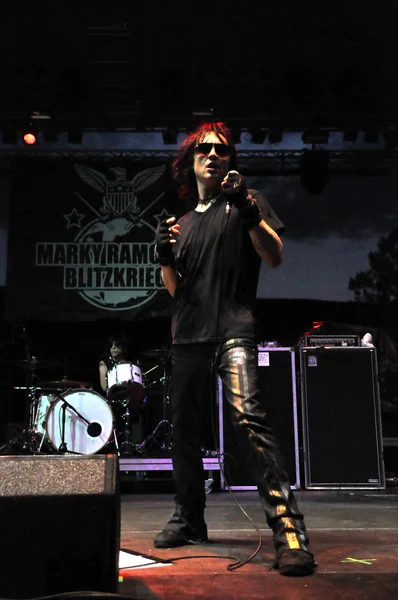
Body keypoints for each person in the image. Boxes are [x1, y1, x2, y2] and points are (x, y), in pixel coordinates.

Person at [153, 121, 316, 576]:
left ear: (229, 161)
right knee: (183, 433)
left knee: (249, 419)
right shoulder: (182, 223)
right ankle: (190, 519)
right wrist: (164, 256)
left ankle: (289, 533)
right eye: (202, 150)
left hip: (232, 330)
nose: (211, 155)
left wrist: (246, 208)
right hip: (187, 335)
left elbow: (275, 254)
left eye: (220, 150)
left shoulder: (247, 202)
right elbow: (174, 289)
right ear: (190, 163)